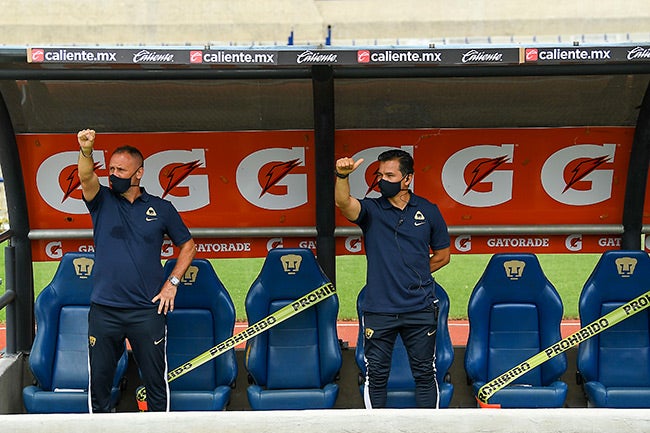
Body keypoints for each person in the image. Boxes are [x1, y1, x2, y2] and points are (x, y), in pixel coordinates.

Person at [77, 129, 196, 412]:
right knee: (100, 385)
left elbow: (189, 246)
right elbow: (85, 177)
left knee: (155, 384)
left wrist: (172, 283)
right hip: (105, 311)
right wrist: (86, 151)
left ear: (139, 173)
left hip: (147, 311)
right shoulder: (101, 200)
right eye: (111, 169)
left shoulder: (162, 208)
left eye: (121, 170)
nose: (113, 174)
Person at [335, 149, 450, 409]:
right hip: (379, 309)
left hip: (420, 308)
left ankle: (428, 429)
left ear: (407, 179)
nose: (382, 180)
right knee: (376, 376)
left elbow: (443, 256)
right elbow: (344, 203)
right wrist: (341, 176)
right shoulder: (371, 209)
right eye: (379, 174)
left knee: (424, 374)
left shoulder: (429, 211)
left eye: (389, 175)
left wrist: (413, 275)